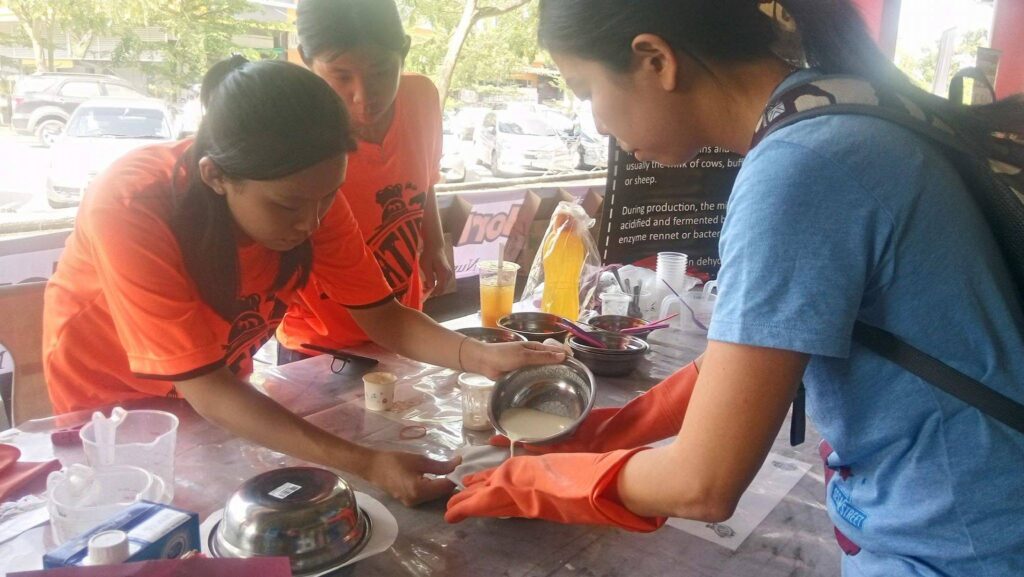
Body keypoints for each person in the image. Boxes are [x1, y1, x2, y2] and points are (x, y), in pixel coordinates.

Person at [445, 1, 1024, 575]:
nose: (596, 124)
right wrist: (604, 434)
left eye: (585, 89)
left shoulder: (800, 166)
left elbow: (702, 483)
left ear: (655, 60)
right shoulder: (839, 114)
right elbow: (745, 361)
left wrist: (535, 481)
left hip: (963, 548)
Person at [43, 57, 564, 506]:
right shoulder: (131, 207)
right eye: (288, 206)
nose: (312, 223)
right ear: (215, 176)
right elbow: (206, 388)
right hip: (113, 411)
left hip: (219, 388)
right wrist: (367, 462)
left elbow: (383, 315)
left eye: (328, 197)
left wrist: (480, 356)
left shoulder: (308, 194)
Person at [276, 0, 453, 359]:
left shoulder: (421, 97)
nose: (364, 96)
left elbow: (426, 178)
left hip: (404, 327)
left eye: (381, 72)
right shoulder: (293, 131)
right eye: (341, 76)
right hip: (318, 343)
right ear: (307, 60)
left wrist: (434, 243)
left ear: (403, 53)